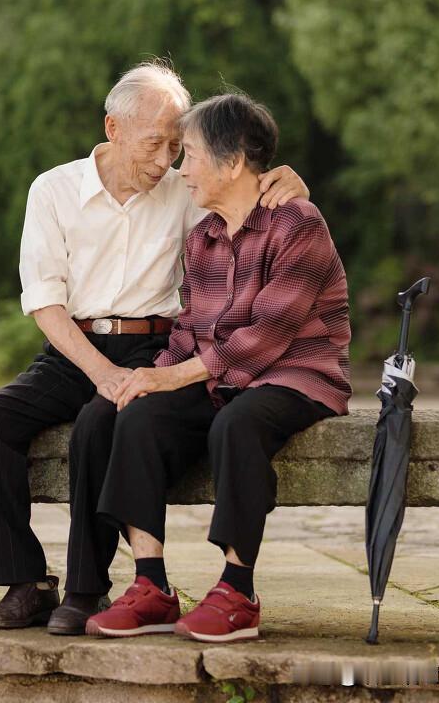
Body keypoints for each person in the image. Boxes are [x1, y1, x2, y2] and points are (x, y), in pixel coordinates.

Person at [0, 63, 310, 636]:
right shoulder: (54, 189)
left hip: (157, 346)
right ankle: (25, 582)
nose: (165, 160)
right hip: (74, 347)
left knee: (102, 422)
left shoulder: (188, 190)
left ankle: (85, 589)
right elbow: (45, 300)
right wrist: (97, 369)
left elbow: (252, 213)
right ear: (113, 128)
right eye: (154, 143)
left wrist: (289, 182)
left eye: (177, 146)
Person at [84, 91, 351, 642]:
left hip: (298, 374)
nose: (181, 171)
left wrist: (173, 375)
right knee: (139, 414)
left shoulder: (298, 223)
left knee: (239, 422)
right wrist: (147, 380)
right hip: (222, 378)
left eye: (192, 156)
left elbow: (266, 338)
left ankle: (237, 589)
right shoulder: (203, 238)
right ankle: (151, 585)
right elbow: (188, 332)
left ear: (232, 163)